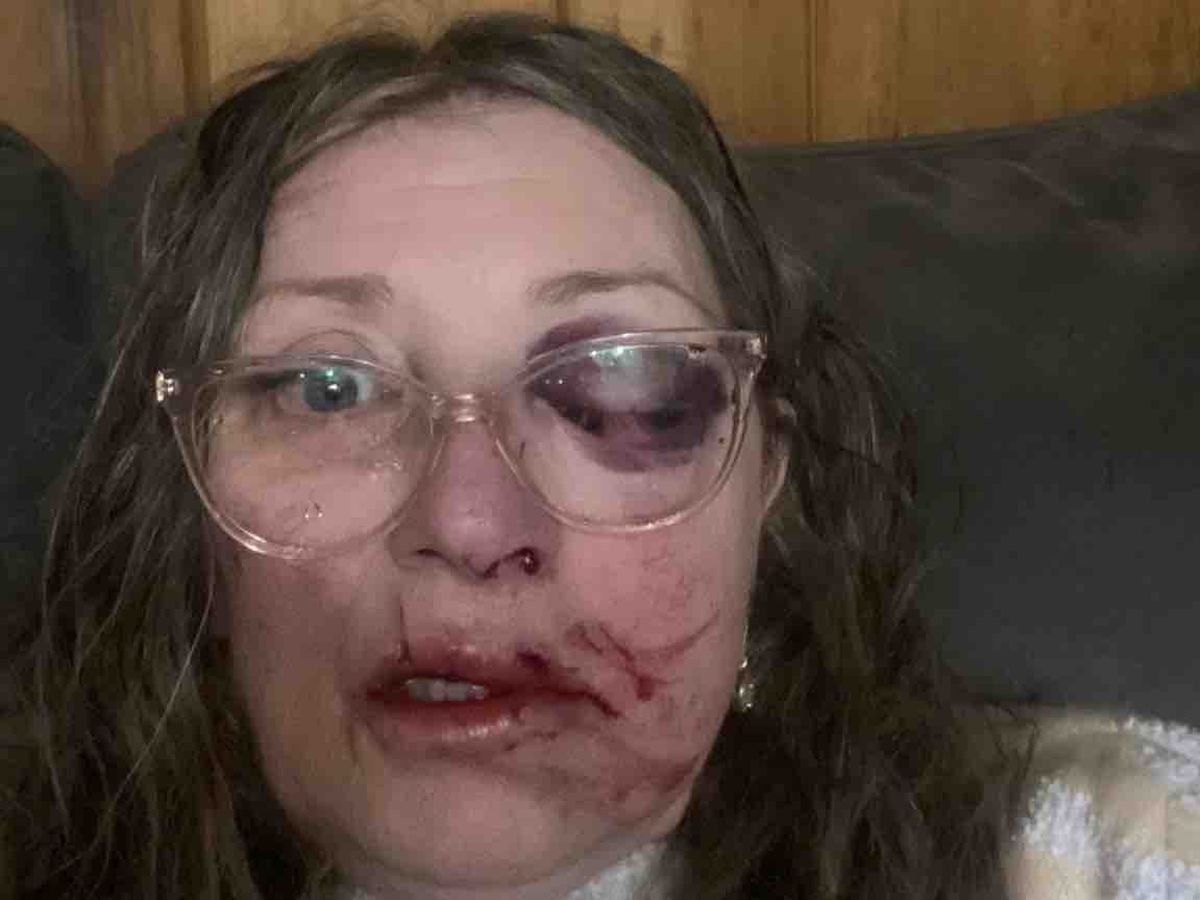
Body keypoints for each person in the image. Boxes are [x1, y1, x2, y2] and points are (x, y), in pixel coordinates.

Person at [3, 13, 1197, 900]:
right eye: (329, 389)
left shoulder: (1108, 849)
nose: (471, 526)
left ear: (767, 488)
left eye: (622, 383)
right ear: (185, 506)